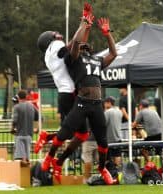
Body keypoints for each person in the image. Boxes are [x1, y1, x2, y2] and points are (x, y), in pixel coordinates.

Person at [41, 12, 117, 184]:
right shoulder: (74, 60)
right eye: (82, 46)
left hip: (97, 104)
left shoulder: (97, 60)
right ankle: (50, 157)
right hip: (82, 102)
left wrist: (107, 34)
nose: (85, 45)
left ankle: (102, 168)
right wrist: (84, 24)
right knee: (65, 132)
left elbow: (113, 53)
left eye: (86, 45)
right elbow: (75, 43)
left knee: (103, 143)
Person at [34, 3, 94, 154]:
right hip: (70, 93)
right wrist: (84, 21)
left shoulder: (52, 54)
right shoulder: (54, 47)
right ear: (50, 41)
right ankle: (49, 148)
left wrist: (86, 26)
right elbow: (74, 43)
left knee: (79, 132)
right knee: (76, 132)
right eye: (54, 35)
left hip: (66, 93)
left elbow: (78, 44)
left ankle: (47, 138)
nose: (58, 35)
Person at [11, 90, 36, 165]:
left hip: (20, 134)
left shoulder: (16, 107)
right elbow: (38, 117)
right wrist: (36, 128)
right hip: (29, 134)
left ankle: (21, 173)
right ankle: (28, 173)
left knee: (20, 158)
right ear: (26, 97)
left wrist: (12, 128)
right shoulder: (32, 106)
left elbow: (15, 120)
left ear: (18, 97)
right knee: (27, 157)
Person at [104, 96, 122, 168]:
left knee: (107, 158)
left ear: (109, 103)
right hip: (118, 138)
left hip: (109, 139)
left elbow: (103, 124)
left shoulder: (107, 112)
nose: (104, 104)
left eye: (105, 103)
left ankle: (110, 172)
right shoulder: (119, 111)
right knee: (117, 155)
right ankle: (117, 170)